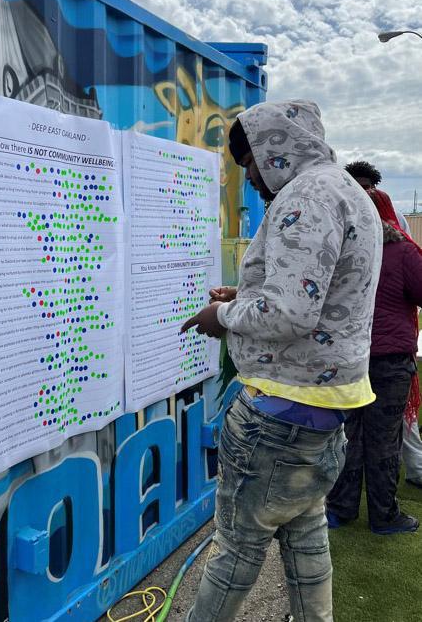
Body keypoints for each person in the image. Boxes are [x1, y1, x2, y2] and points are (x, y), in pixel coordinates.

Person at [181, 100, 382, 622]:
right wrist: (244, 296)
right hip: (322, 411)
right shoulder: (346, 191)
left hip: (278, 414)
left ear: (276, 151)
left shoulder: (305, 198)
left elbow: (291, 312)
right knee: (306, 542)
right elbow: (317, 293)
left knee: (237, 554)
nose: (251, 179)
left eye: (251, 165)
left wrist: (222, 316)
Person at [326, 166, 422, 532]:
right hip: (389, 360)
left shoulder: (335, 247)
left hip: (346, 356)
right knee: (384, 441)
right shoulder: (401, 250)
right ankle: (384, 515)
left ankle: (340, 509)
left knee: (347, 436)